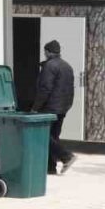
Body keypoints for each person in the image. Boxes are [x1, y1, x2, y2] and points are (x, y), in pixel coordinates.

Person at [32, 39, 77, 176]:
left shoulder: (50, 66)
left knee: (44, 136)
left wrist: (35, 108)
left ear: (47, 51)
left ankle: (66, 156)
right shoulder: (67, 66)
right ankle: (50, 168)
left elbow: (45, 89)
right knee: (53, 136)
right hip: (63, 107)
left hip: (51, 107)